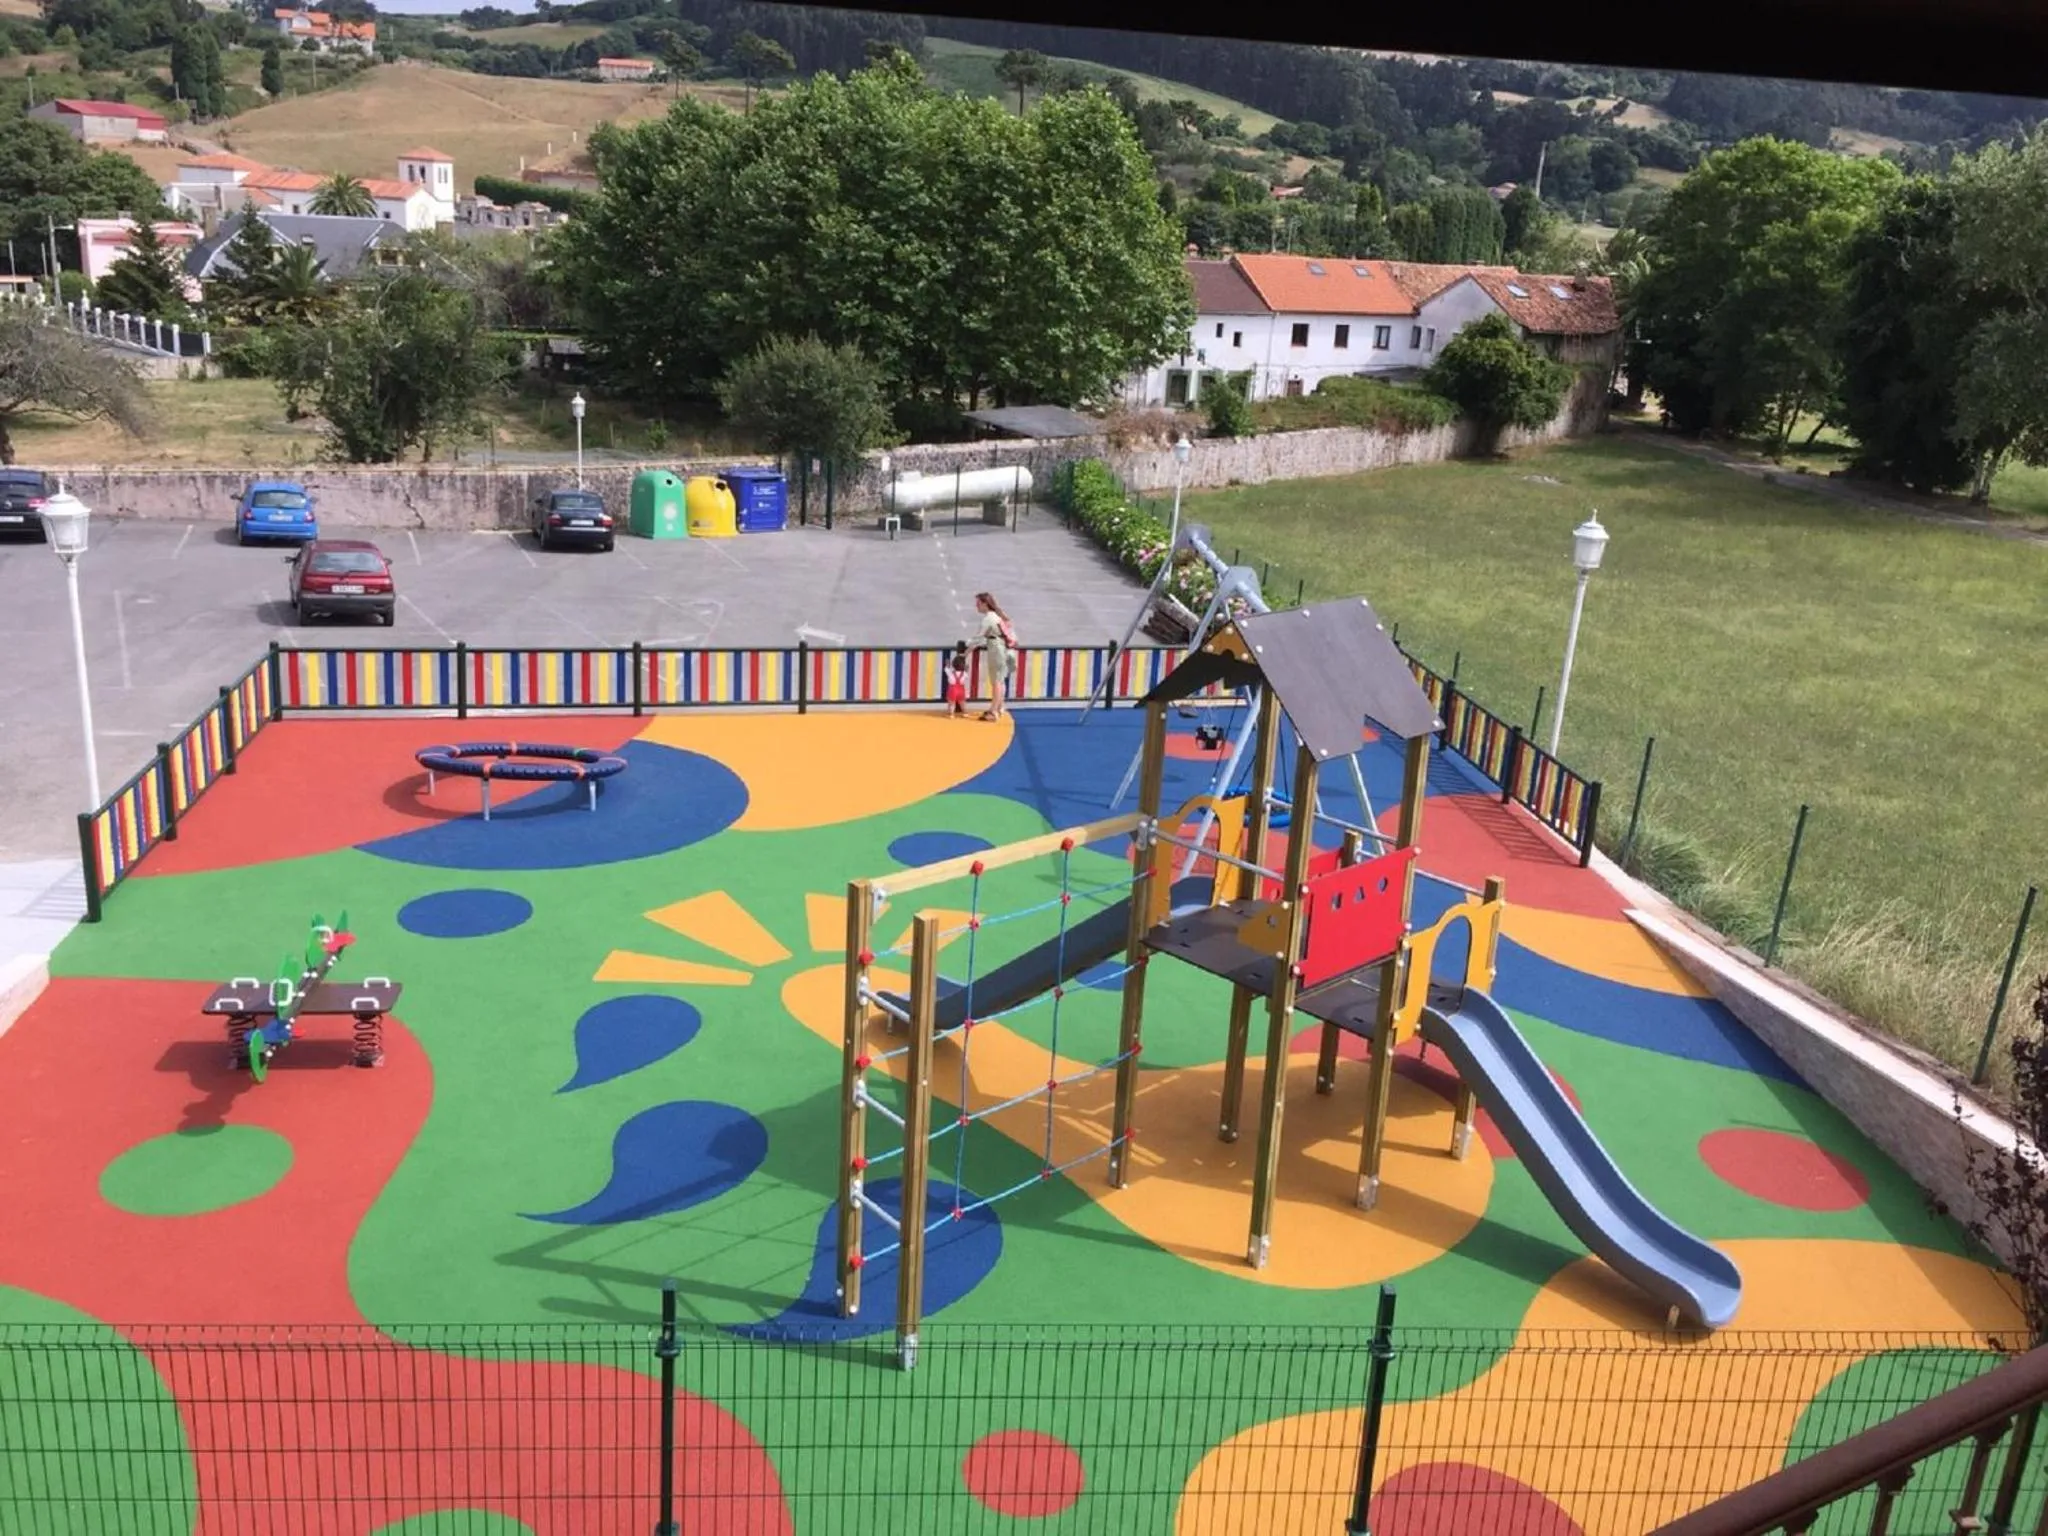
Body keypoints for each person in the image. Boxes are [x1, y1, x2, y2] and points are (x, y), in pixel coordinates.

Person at [973, 591, 1017, 721]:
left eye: (978, 603)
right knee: (1001, 679)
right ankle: (999, 707)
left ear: (985, 604)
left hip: (996, 650)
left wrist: (965, 652)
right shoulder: (999, 616)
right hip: (1004, 649)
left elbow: (977, 638)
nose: (976, 606)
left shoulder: (989, 619)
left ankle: (993, 712)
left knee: (996, 681)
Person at [943, 641, 970, 718]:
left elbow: (946, 669)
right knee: (962, 703)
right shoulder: (964, 674)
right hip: (961, 690)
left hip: (952, 690)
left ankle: (951, 714)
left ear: (953, 665)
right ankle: (965, 713)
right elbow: (966, 673)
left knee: (951, 703)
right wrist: (966, 668)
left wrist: (947, 663)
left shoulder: (951, 674)